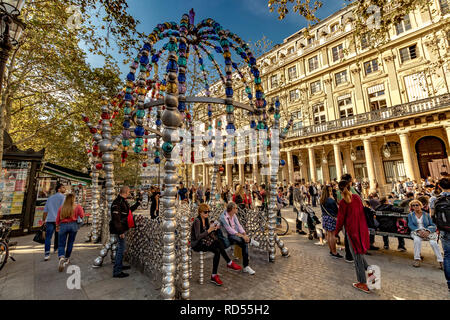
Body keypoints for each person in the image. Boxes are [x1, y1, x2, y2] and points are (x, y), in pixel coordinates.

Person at [191, 203, 242, 286]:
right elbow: (197, 237)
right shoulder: (197, 221)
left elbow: (208, 232)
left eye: (208, 212)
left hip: (205, 241)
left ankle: (214, 275)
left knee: (217, 250)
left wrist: (214, 228)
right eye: (205, 212)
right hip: (197, 244)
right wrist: (209, 230)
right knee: (218, 243)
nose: (207, 213)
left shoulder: (206, 219)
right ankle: (229, 262)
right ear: (200, 212)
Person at [335, 180, 371, 293]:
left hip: (352, 231)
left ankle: (362, 283)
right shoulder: (357, 197)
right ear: (351, 187)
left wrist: (335, 233)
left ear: (340, 190)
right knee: (359, 252)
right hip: (361, 228)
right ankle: (370, 271)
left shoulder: (343, 202)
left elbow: (340, 220)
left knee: (356, 256)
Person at [110, 186, 141, 278]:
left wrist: (137, 203)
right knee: (120, 249)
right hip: (120, 229)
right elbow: (116, 219)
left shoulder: (123, 201)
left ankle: (119, 266)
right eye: (128, 192)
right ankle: (117, 271)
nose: (129, 193)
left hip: (123, 228)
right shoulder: (117, 202)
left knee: (121, 248)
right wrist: (120, 232)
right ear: (126, 192)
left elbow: (128, 211)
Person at [219, 202, 256, 275]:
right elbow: (229, 229)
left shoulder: (234, 215)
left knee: (244, 243)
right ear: (232, 209)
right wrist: (241, 235)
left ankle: (246, 266)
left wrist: (244, 233)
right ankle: (250, 240)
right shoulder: (223, 217)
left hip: (235, 234)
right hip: (228, 236)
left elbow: (238, 225)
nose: (237, 209)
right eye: (236, 208)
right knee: (243, 241)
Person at [407, 200, 443, 268]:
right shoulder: (410, 215)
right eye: (413, 205)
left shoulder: (426, 214)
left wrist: (428, 231)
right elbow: (410, 225)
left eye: (417, 205)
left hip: (427, 232)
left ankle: (441, 261)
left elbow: (432, 225)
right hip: (416, 232)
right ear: (412, 207)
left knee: (433, 243)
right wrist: (418, 231)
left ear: (420, 206)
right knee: (417, 240)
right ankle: (417, 259)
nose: (415, 206)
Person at [55, 194, 84, 272]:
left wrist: (57, 226)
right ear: (73, 199)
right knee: (70, 242)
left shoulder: (61, 208)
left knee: (61, 244)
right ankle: (67, 258)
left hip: (63, 226)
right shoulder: (78, 207)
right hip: (73, 225)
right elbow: (82, 216)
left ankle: (61, 257)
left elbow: (57, 219)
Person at [433, 177, 450, 292]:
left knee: (448, 256)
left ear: (439, 186)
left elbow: (433, 217)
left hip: (444, 230)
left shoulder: (436, 200)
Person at [43, 183, 66, 261]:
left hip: (49, 219)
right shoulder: (63, 197)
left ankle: (47, 253)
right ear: (59, 189)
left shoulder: (50, 198)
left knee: (48, 237)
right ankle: (56, 249)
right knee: (58, 235)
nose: (65, 189)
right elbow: (63, 209)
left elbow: (45, 210)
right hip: (59, 220)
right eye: (63, 187)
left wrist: (44, 220)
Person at [320, 185, 342, 258]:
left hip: (325, 218)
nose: (331, 192)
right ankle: (334, 252)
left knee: (328, 235)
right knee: (332, 235)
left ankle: (331, 250)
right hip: (331, 218)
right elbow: (336, 210)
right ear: (329, 191)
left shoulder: (322, 199)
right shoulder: (330, 200)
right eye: (330, 190)